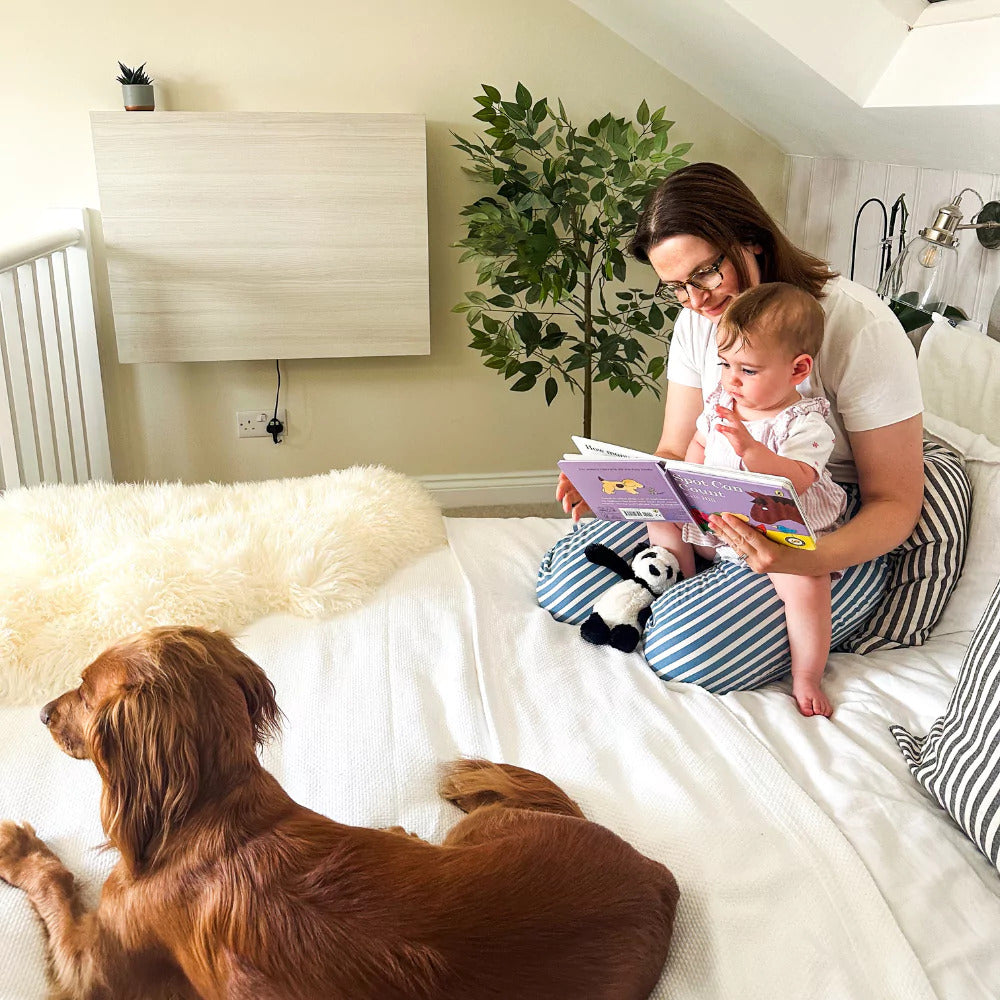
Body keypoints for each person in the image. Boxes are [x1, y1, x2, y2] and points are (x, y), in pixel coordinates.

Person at [537, 162, 925, 697]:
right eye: (676, 287)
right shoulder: (698, 321)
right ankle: (694, 591)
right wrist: (614, 489)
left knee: (682, 647)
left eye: (705, 274)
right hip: (714, 496)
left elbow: (896, 503)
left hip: (819, 526)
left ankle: (700, 607)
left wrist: (802, 558)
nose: (696, 302)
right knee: (566, 587)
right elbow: (677, 447)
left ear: (751, 241)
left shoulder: (860, 328)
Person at [674, 282, 846, 716]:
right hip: (719, 523)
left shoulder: (803, 423)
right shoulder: (720, 403)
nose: (731, 379)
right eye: (725, 364)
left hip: (778, 538)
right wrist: (683, 479)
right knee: (657, 519)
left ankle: (807, 674)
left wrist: (750, 448)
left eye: (747, 370)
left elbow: (797, 481)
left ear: (797, 369)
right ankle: (675, 576)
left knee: (809, 588)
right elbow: (696, 442)